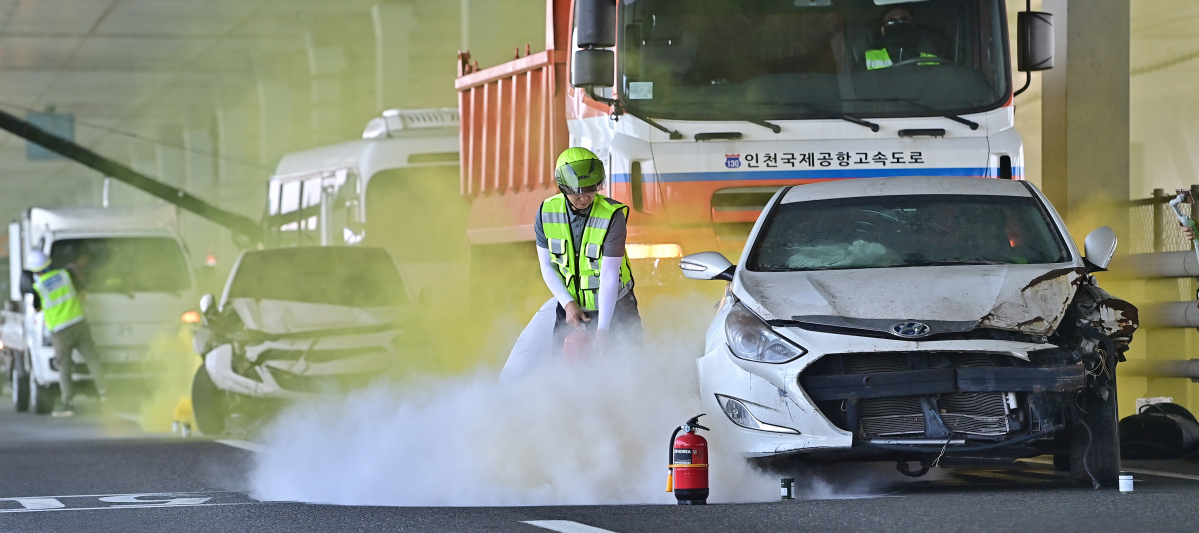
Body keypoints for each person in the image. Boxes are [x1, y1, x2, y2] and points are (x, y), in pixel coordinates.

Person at [534, 147, 642, 355]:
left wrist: (603, 328)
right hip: (571, 308)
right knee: (564, 369)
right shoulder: (546, 212)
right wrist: (567, 304)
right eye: (577, 193)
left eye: (591, 189)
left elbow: (609, 274)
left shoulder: (613, 216)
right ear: (563, 188)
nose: (585, 198)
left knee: (627, 365)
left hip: (616, 307)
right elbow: (547, 266)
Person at [27, 250, 104, 417]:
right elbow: (82, 293)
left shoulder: (38, 288)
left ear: (35, 271)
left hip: (60, 331)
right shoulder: (65, 275)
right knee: (92, 359)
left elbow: (37, 309)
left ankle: (68, 403)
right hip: (79, 322)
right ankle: (105, 394)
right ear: (49, 264)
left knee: (64, 367)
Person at [865, 5, 938, 70]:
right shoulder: (868, 60)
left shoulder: (932, 61)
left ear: (913, 27)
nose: (898, 25)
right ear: (883, 30)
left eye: (904, 20)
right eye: (891, 21)